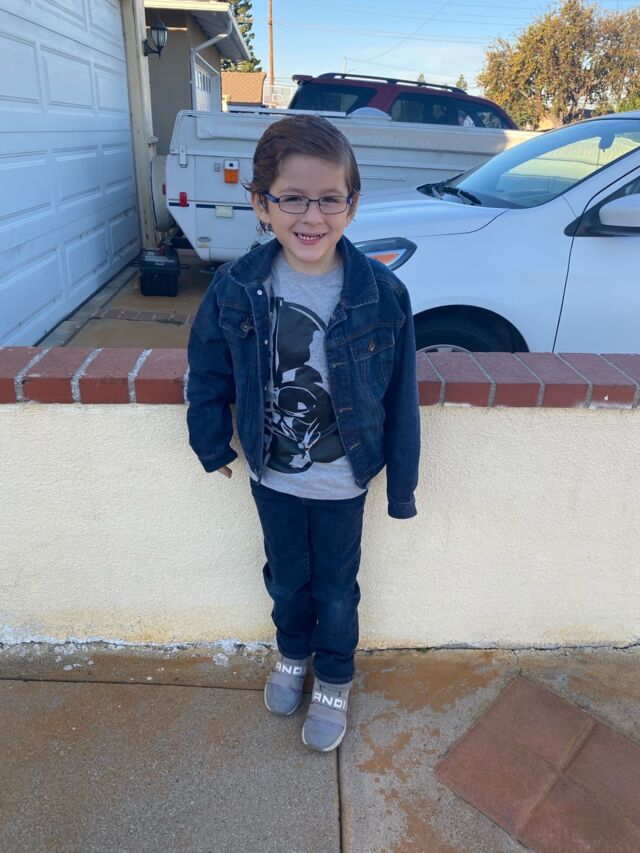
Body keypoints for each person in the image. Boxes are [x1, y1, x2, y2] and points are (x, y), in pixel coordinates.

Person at [186, 114, 420, 752]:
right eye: (292, 198)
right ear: (262, 205)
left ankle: (335, 676)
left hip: (344, 482)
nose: (311, 216)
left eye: (329, 199)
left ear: (352, 205)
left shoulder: (382, 294)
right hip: (272, 475)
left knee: (336, 591)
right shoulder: (236, 288)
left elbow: (401, 395)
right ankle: (292, 654)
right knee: (286, 579)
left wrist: (402, 486)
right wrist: (211, 442)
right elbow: (208, 368)